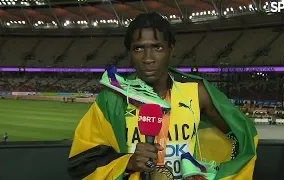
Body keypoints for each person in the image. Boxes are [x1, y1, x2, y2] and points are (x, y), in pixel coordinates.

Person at [67, 12, 258, 180]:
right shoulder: (112, 99)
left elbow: (242, 137)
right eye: (139, 48)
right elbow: (83, 160)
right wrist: (129, 163)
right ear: (130, 52)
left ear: (170, 49)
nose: (148, 58)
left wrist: (210, 171)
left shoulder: (196, 92)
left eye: (157, 47)